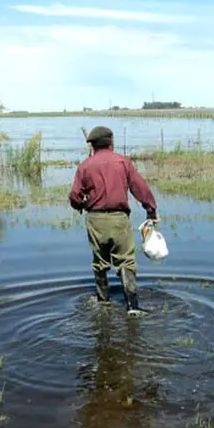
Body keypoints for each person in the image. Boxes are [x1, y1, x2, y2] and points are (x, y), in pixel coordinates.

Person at [69, 125, 159, 315]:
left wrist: (81, 205)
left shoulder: (85, 166)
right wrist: (151, 210)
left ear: (93, 145)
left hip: (95, 220)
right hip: (119, 220)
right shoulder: (123, 162)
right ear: (111, 142)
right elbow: (140, 188)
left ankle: (103, 302)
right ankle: (132, 306)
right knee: (126, 261)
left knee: (100, 263)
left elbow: (74, 196)